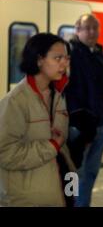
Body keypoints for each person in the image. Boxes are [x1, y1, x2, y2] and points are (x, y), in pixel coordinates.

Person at [0, 33, 75, 206]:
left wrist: (73, 188)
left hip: (63, 191)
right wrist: (51, 146)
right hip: (27, 200)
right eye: (58, 58)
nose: (64, 63)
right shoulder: (16, 101)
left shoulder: (58, 95)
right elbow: (5, 153)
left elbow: (62, 147)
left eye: (66, 58)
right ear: (39, 60)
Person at [65, 14, 103, 207]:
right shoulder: (71, 55)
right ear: (77, 31)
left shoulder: (98, 55)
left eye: (95, 28)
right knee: (75, 172)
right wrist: (77, 118)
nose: (92, 32)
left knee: (91, 172)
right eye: (87, 28)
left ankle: (83, 205)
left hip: (100, 126)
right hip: (80, 127)